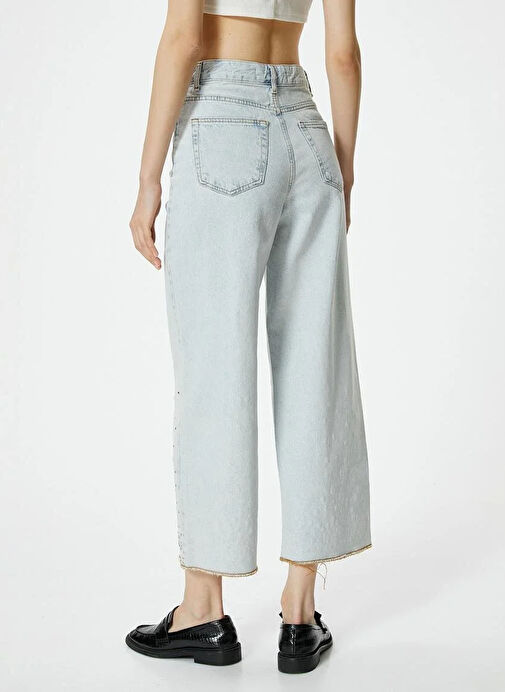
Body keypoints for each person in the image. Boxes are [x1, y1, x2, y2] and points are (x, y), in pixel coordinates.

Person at [126, 0, 371, 674]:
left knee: (214, 368)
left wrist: (147, 179)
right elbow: (343, 54)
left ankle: (202, 609)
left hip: (222, 121)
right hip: (309, 129)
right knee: (315, 368)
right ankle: (299, 613)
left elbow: (183, 37)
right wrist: (344, 171)